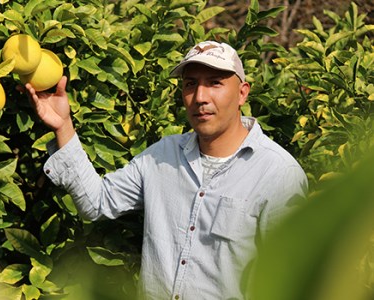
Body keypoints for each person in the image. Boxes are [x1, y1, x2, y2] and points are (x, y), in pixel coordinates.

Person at [25, 41, 309, 300]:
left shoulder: (278, 173)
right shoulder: (163, 156)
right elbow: (96, 202)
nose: (200, 97)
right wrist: (64, 125)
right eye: (190, 84)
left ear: (242, 93)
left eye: (215, 83)